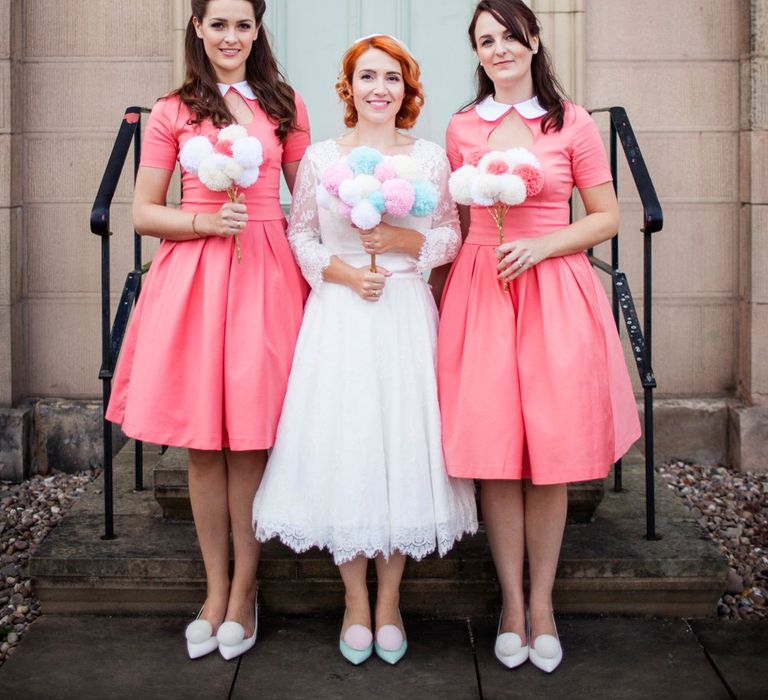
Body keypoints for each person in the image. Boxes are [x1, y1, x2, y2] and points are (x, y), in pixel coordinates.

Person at [252, 34, 478, 666]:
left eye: (394, 79)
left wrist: (402, 244)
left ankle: (390, 601)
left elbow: (450, 237)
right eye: (369, 77)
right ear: (348, 88)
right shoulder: (323, 158)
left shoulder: (430, 158)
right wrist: (346, 273)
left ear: (408, 91)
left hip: (404, 311)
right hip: (340, 314)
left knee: (402, 446)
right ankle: (355, 599)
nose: (381, 89)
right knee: (347, 446)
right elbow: (299, 232)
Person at [433, 0, 641, 673]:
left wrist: (545, 245)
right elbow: (455, 224)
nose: (499, 49)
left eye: (509, 36)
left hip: (553, 291)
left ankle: (543, 604)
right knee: (496, 449)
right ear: (477, 52)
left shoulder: (570, 122)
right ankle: (511, 606)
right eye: (486, 40)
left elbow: (606, 216)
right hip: (480, 291)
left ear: (534, 40)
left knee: (549, 448)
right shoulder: (462, 126)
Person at [105, 0, 310, 661]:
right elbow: (141, 212)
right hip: (195, 275)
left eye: (242, 24)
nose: (230, 36)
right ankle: (213, 588)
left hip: (266, 273)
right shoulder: (172, 110)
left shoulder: (283, 103)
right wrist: (199, 224)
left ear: (258, 30)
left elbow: (306, 200)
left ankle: (246, 592)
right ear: (197, 27)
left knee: (249, 437)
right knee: (202, 444)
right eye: (218, 23)